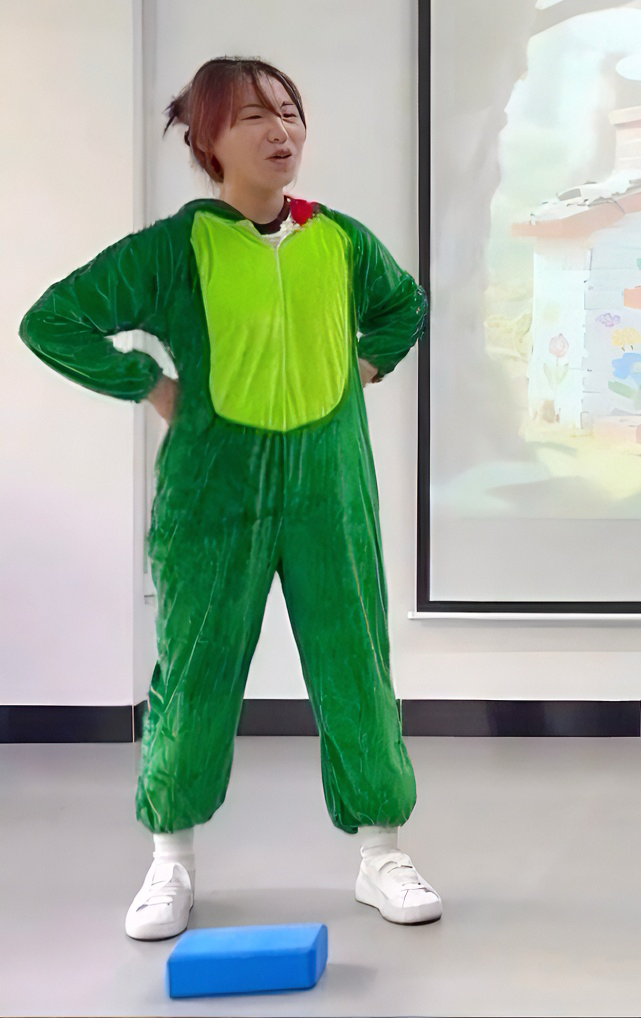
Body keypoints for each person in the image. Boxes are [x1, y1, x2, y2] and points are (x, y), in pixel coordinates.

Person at [19, 57, 439, 939]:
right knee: (195, 673)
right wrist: (149, 384)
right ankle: (169, 861)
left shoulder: (341, 240)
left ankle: (382, 853)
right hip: (212, 498)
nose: (281, 130)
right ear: (208, 139)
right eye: (254, 116)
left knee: (355, 666)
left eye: (289, 111)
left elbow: (403, 306)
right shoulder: (176, 248)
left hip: (330, 494)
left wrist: (360, 368)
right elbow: (51, 320)